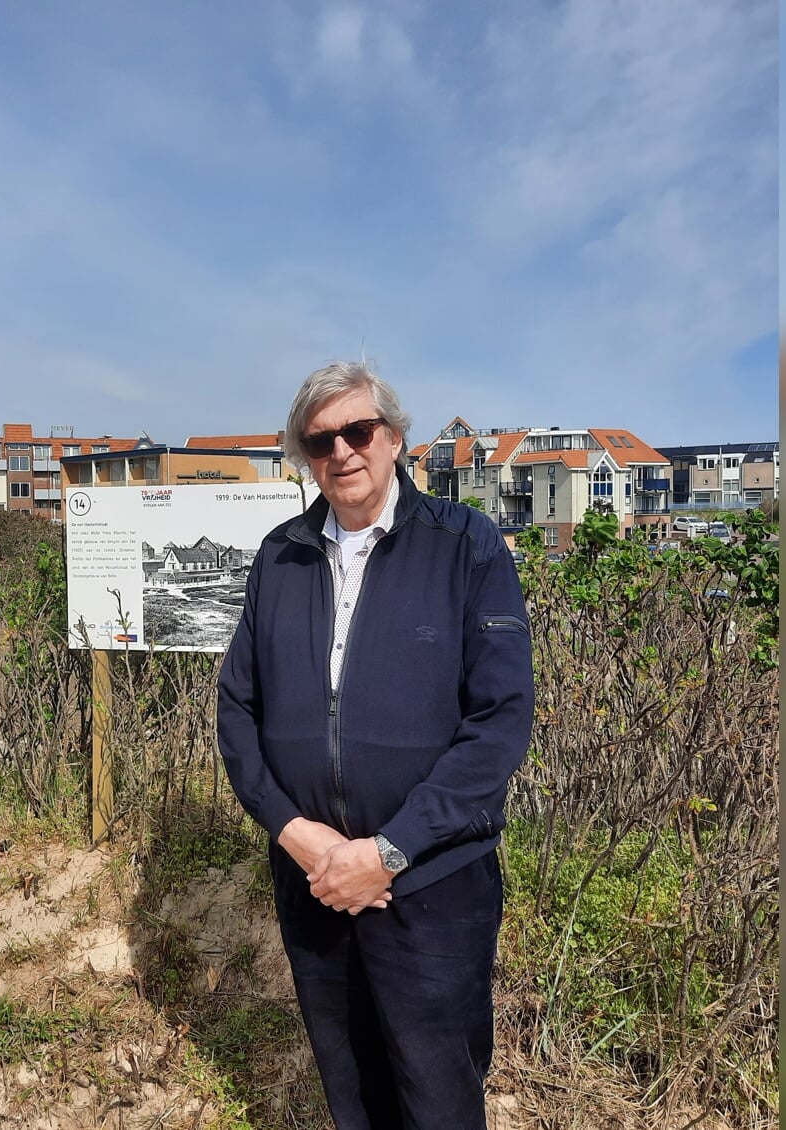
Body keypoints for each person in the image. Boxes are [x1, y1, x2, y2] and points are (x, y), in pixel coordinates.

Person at [217, 360, 535, 1129]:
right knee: (349, 1083)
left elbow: (500, 722)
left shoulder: (467, 546)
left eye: (358, 431)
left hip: (431, 885)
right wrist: (299, 838)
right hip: (314, 878)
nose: (342, 452)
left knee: (436, 1094)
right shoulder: (280, 555)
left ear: (394, 439)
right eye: (320, 439)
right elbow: (236, 709)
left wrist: (387, 851)